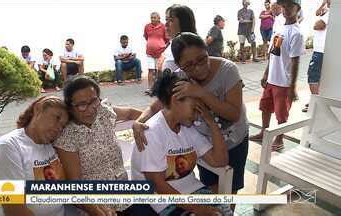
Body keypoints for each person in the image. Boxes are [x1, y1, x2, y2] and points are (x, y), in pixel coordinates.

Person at [133, 32, 249, 211]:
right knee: (210, 192)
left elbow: (233, 117)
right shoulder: (159, 130)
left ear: (207, 50)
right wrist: (138, 122)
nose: (198, 68)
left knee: (225, 202)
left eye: (202, 59)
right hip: (162, 198)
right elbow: (157, 104)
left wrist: (208, 117)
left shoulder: (227, 70)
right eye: (188, 65)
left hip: (233, 140)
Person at [131, 72, 232, 216]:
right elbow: (158, 185)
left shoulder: (188, 127)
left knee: (224, 213)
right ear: (176, 101)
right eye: (195, 108)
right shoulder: (151, 132)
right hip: (158, 200)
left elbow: (220, 161)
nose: (198, 114)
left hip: (190, 191)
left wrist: (211, 121)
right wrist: (198, 209)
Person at [53, 75, 156, 215]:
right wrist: (98, 210)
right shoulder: (67, 136)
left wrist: (142, 123)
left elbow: (130, 113)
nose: (91, 110)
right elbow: (75, 185)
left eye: (94, 101)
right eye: (82, 105)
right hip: (99, 207)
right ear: (70, 107)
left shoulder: (103, 112)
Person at [0, 96, 69, 216]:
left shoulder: (49, 146)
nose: (59, 129)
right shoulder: (8, 147)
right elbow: (14, 210)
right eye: (57, 118)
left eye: (63, 126)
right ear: (38, 109)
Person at [250, 0, 305, 151]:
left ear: (297, 8)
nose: (286, 8)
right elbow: (273, 54)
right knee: (265, 107)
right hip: (272, 78)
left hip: (284, 83)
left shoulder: (297, 33)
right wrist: (266, 73)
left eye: (290, 5)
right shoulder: (279, 27)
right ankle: (263, 131)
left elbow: (295, 62)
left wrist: (292, 87)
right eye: (284, 5)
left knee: (282, 114)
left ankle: (280, 138)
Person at [302, 0, 330, 112]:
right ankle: (317, 101)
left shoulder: (331, 13)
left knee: (313, 77)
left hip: (320, 51)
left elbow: (317, 25)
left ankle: (317, 104)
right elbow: (317, 13)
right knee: (321, 78)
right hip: (324, 50)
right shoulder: (328, 11)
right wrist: (323, 5)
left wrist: (323, 12)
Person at [162, 4, 197, 73]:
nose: (166, 24)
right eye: (166, 19)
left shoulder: (190, 48)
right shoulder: (172, 43)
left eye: (171, 20)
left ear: (184, 23)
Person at [144, 12, 169, 95]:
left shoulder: (163, 27)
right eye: (151, 17)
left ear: (159, 18)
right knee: (150, 70)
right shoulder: (147, 26)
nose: (153, 19)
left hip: (160, 52)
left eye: (154, 17)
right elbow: (146, 37)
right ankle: (150, 88)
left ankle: (159, 87)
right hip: (150, 52)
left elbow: (166, 39)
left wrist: (160, 44)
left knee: (159, 70)